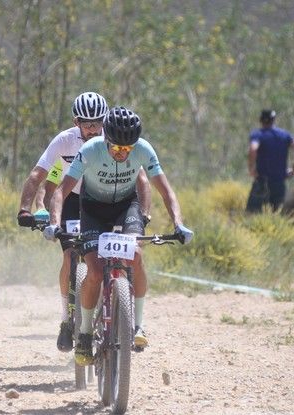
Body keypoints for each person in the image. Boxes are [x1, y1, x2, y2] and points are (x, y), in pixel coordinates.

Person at [44, 106, 193, 366]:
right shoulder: (88, 151)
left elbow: (166, 191)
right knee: (95, 270)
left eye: (128, 149)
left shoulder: (144, 150)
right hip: (92, 210)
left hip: (127, 207)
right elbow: (60, 191)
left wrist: (179, 223)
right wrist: (54, 222)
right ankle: (86, 333)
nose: (122, 154)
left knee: (135, 256)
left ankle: (138, 326)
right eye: (116, 149)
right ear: (106, 140)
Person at [17, 92, 151, 352]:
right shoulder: (64, 143)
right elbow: (46, 179)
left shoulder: (114, 137)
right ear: (75, 121)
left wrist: (143, 213)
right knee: (70, 255)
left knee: (123, 251)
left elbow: (140, 177)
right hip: (72, 202)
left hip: (108, 202)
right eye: (86, 123)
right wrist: (30, 208)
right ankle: (67, 320)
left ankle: (122, 306)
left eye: (98, 122)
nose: (93, 128)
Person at [246, 109, 294, 212]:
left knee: (253, 213)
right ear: (274, 120)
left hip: (262, 181)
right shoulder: (284, 135)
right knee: (278, 212)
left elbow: (253, 149)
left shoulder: (258, 134)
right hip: (279, 181)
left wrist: (251, 169)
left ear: (260, 120)